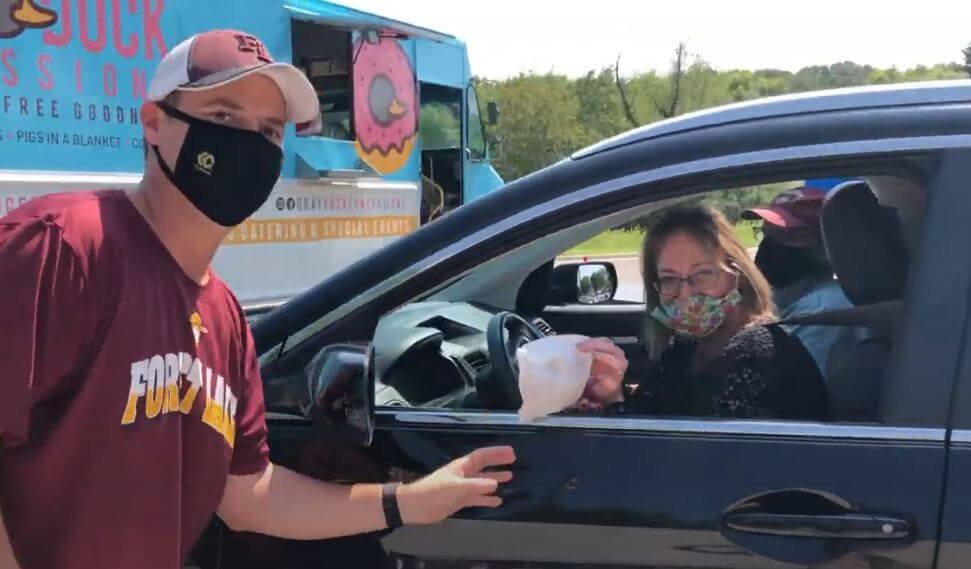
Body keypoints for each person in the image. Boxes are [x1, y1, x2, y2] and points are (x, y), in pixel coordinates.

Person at [0, 29, 514, 569]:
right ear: (153, 123)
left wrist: (409, 501)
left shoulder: (224, 319)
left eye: (269, 130)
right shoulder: (63, 249)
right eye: (223, 117)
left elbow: (248, 495)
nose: (248, 144)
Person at [577, 205, 829, 420]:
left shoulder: (759, 352)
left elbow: (700, 463)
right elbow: (650, 416)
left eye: (703, 274)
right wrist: (610, 393)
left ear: (738, 276)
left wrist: (616, 405)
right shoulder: (685, 347)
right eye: (669, 279)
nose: (684, 294)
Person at [742, 187, 860, 376]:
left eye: (787, 235)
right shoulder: (791, 295)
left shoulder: (824, 307)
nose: (770, 245)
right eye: (766, 233)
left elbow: (782, 384)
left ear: (824, 245)